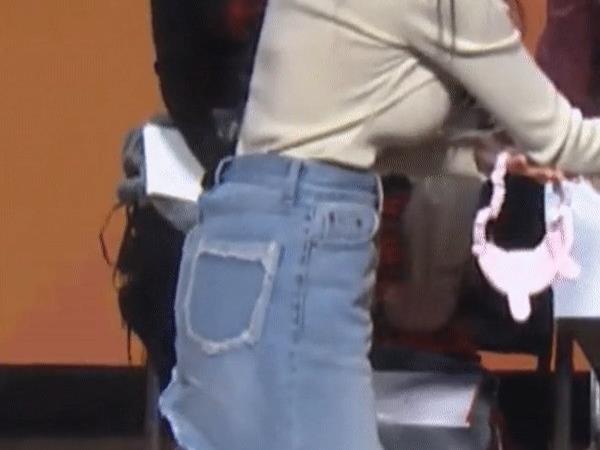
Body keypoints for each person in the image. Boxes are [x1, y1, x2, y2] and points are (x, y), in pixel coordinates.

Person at [158, 1, 600, 449]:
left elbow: (343, 141)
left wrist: (482, 157)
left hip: (238, 246)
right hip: (304, 258)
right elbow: (562, 139)